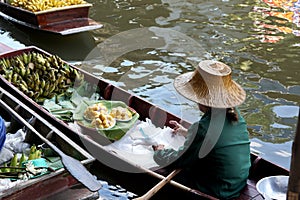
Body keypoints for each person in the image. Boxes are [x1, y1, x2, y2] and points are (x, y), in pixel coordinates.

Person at [152, 60, 251, 199]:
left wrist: (160, 152)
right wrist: (187, 133)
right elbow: (214, 141)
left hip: (218, 190)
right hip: (237, 182)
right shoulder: (234, 114)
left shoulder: (204, 129)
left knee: (164, 167)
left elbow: (177, 159)